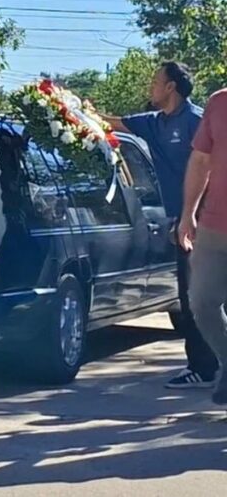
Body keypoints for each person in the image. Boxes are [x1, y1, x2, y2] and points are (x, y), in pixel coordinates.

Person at [105, 62, 214, 388]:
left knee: (202, 297)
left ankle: (205, 368)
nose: (150, 87)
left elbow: (211, 168)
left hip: (206, 221)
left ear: (171, 87)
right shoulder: (153, 123)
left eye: (156, 81)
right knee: (192, 297)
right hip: (182, 222)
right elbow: (113, 123)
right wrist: (70, 109)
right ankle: (205, 366)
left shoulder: (197, 121)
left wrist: (195, 215)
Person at [180, 87, 227, 404]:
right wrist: (188, 214)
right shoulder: (219, 102)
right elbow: (200, 160)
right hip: (214, 225)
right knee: (201, 301)